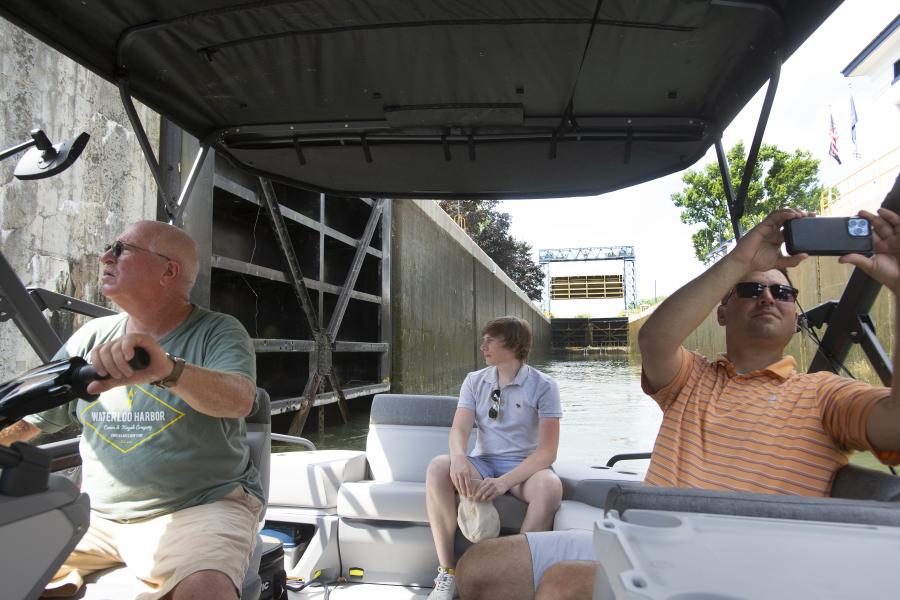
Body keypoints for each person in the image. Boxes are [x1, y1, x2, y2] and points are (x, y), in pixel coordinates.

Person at [456, 206, 900, 600]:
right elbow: (655, 338)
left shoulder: (826, 395)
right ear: (721, 312)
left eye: (783, 293)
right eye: (751, 290)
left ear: (795, 316)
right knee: (477, 569)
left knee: (564, 584)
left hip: (740, 566)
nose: (768, 297)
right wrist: (742, 259)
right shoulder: (691, 378)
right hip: (641, 540)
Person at [0, 220, 261, 600]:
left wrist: (168, 370)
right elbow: (29, 420)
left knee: (205, 591)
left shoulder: (218, 331)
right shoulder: (92, 336)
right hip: (94, 515)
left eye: (121, 249)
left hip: (198, 508)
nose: (105, 256)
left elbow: (240, 399)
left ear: (168, 271)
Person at [424, 316, 564, 600]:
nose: (482, 346)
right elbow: (459, 429)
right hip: (483, 461)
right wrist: (459, 457)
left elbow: (547, 453)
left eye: (490, 340)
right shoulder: (475, 381)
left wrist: (502, 483)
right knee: (439, 467)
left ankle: (518, 574)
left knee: (551, 488)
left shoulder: (544, 385)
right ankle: (447, 573)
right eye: (483, 340)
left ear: (512, 344)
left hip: (525, 468)